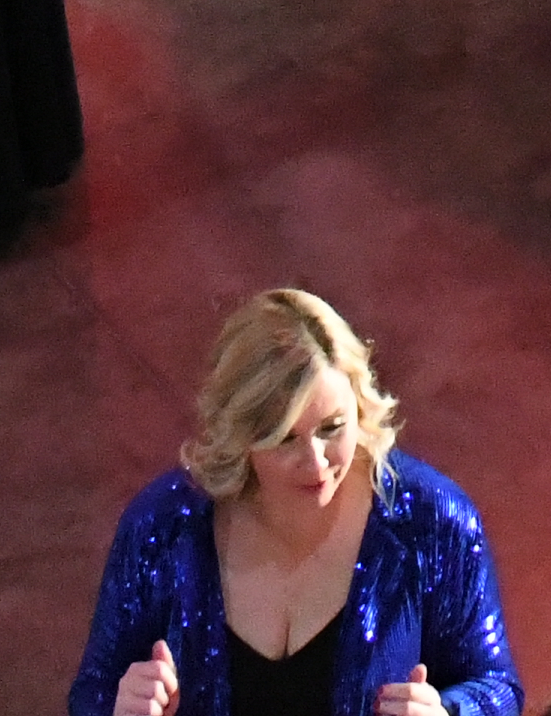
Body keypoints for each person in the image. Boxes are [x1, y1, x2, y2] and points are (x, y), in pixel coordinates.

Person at [62, 289, 518, 716]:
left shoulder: (432, 521)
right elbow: (94, 688)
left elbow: (497, 686)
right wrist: (118, 706)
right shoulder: (163, 526)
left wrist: (449, 711)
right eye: (285, 439)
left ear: (360, 406)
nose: (317, 463)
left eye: (332, 428)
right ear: (242, 436)